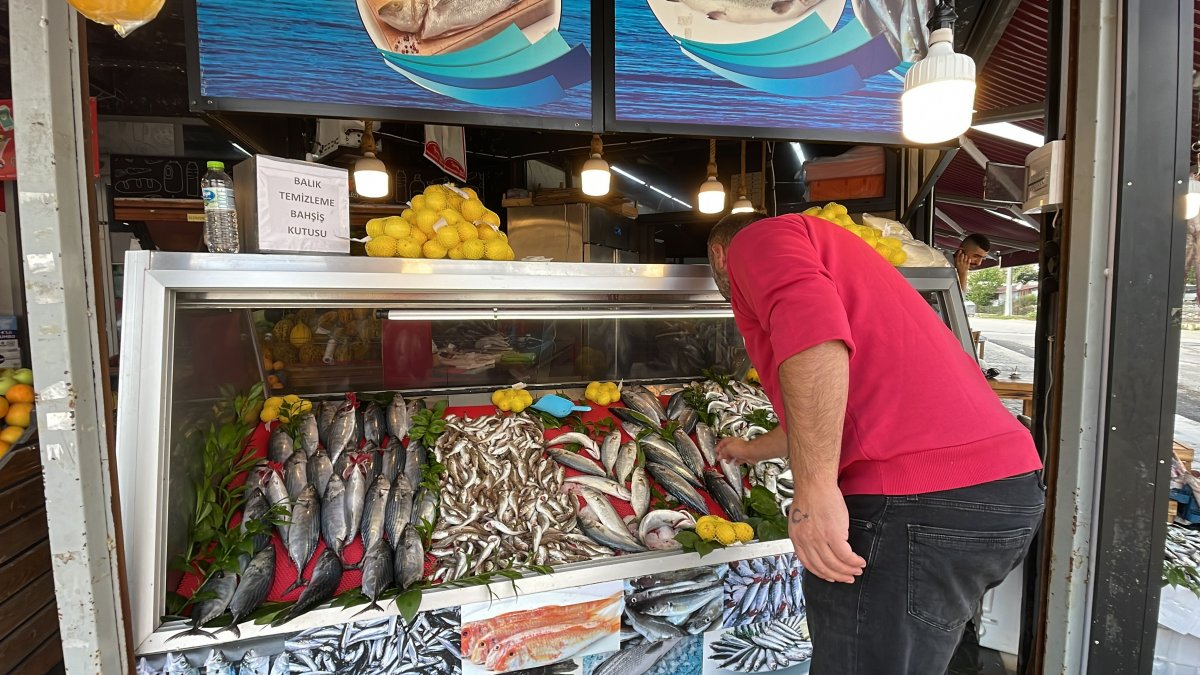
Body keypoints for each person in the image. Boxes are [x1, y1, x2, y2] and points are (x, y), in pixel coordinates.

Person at [707, 212, 1043, 674]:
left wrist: (815, 492)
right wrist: (747, 450)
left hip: (917, 503)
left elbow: (816, 342)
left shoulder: (759, 240)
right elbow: (827, 406)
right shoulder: (839, 255)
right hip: (999, 492)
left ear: (718, 254)